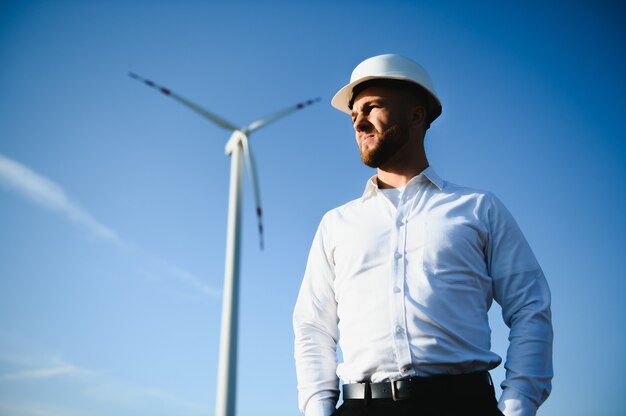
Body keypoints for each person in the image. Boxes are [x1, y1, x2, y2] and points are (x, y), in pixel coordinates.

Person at [293, 54, 553, 416]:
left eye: (372, 108)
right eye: (354, 114)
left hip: (464, 405)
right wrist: (317, 410)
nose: (359, 122)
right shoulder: (336, 224)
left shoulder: (480, 208)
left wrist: (518, 406)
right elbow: (313, 326)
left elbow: (530, 306)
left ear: (416, 115)